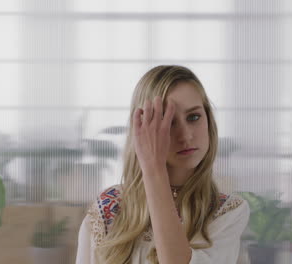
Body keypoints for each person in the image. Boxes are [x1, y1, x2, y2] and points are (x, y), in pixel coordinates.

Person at [76, 65, 250, 264]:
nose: (186, 136)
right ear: (144, 130)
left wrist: (153, 169)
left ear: (209, 120)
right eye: (168, 122)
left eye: (194, 117)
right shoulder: (108, 207)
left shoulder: (226, 213)